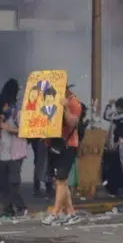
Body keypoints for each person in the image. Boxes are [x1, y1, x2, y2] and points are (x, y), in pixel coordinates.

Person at [42, 83, 82, 225]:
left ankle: (56, 213)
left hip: (68, 145)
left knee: (61, 179)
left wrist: (65, 108)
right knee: (60, 181)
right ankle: (71, 213)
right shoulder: (50, 100)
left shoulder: (73, 102)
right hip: (54, 144)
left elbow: (73, 122)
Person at [0, 78, 28, 218]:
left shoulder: (18, 113)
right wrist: (0, 126)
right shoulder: (2, 116)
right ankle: (7, 209)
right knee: (3, 183)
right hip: (3, 152)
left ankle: (21, 207)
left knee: (13, 182)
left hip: (15, 153)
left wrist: (7, 127)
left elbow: (23, 131)